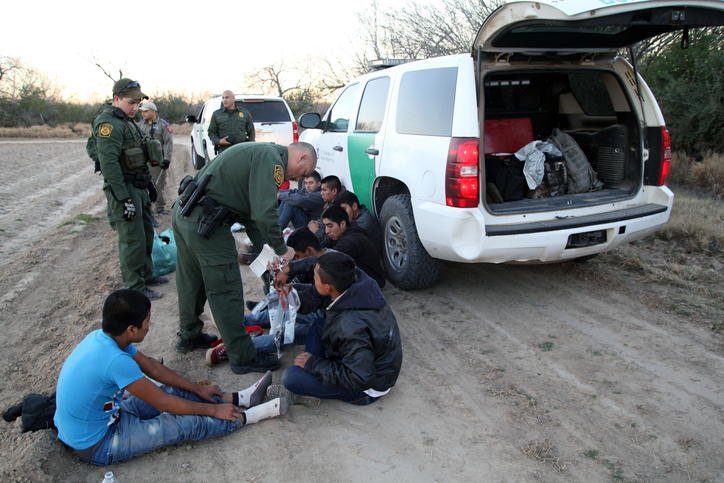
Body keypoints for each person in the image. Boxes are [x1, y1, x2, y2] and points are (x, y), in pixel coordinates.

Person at [54, 289, 288, 466]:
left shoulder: (105, 337)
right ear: (131, 330)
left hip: (111, 415)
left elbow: (153, 369)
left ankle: (236, 399)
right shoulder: (115, 360)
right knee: (181, 424)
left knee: (177, 392)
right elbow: (162, 404)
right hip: (98, 443)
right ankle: (246, 417)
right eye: (146, 321)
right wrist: (212, 411)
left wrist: (197, 389)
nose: (149, 324)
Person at [172, 141, 317, 374]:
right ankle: (242, 357)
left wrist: (269, 266)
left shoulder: (261, 154)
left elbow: (253, 220)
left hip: (186, 214)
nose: (300, 178)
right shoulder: (273, 160)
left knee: (192, 280)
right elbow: (263, 211)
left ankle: (189, 335)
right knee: (225, 289)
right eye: (305, 172)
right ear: (301, 158)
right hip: (207, 223)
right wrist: (281, 249)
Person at [268, 251, 402, 405]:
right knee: (318, 324)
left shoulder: (349, 326)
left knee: (291, 377)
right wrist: (289, 271)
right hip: (366, 356)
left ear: (328, 287)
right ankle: (314, 375)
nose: (313, 279)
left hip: (366, 387)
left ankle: (312, 383)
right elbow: (320, 264)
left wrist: (315, 364)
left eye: (315, 278)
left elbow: (360, 378)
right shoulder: (357, 278)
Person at [206, 227, 332, 366]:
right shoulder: (330, 261)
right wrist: (287, 282)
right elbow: (311, 286)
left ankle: (237, 347)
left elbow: (311, 302)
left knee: (290, 335)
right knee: (281, 305)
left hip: (327, 320)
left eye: (296, 257)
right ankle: (233, 323)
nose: (295, 261)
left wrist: (289, 296)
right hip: (322, 310)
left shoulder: (332, 275)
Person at [91, 78, 167, 301]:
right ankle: (134, 286)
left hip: (138, 185)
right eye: (130, 102)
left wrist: (149, 186)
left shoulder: (126, 120)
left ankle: (146, 275)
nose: (135, 107)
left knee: (145, 233)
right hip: (124, 188)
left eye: (138, 103)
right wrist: (124, 199)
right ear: (116, 99)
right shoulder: (108, 124)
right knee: (131, 239)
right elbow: (110, 165)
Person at [321, 205, 386, 288]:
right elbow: (324, 245)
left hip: (372, 286)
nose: (327, 231)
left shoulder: (349, 242)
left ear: (343, 224)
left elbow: (328, 262)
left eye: (330, 226)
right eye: (325, 226)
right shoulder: (344, 230)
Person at [137, 101, 174, 216]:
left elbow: (168, 142)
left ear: (153, 112)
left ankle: (159, 207)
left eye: (146, 111)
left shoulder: (163, 125)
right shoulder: (140, 125)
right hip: (143, 160)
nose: (143, 113)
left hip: (157, 160)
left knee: (158, 184)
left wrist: (166, 159)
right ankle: (145, 207)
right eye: (142, 111)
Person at [208, 90, 255, 155]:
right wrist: (219, 141)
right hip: (224, 150)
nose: (224, 100)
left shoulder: (244, 113)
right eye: (223, 98)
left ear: (233, 98)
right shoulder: (217, 114)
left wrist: (249, 145)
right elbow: (211, 132)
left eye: (227, 97)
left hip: (242, 149)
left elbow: (251, 131)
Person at [308, 175, 344, 243]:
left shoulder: (338, 207)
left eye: (324, 190)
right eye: (321, 190)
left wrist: (316, 230)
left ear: (334, 191)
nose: (321, 193)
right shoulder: (329, 202)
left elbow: (331, 239)